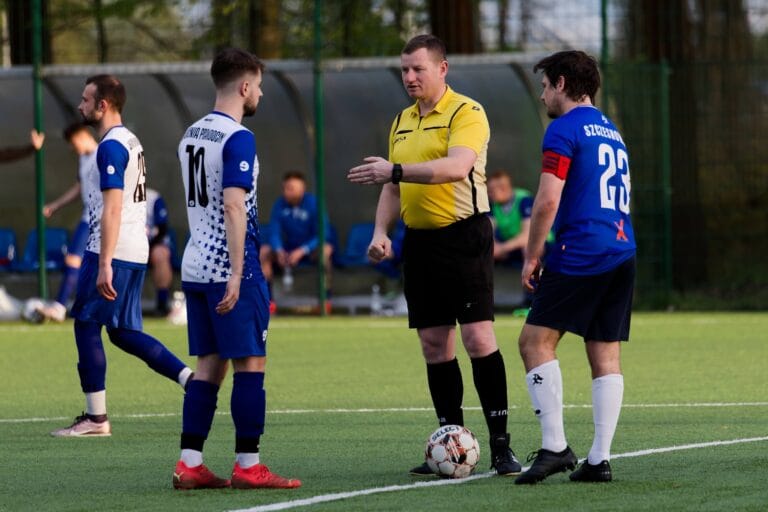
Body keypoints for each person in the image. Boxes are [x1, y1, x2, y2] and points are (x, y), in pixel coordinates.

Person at [347, 34, 522, 477]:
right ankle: (452, 443)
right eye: (404, 69)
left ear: (442, 69)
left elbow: (456, 167)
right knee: (433, 345)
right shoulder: (401, 121)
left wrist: (397, 170)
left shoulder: (468, 112)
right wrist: (381, 232)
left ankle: (502, 447)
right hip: (420, 243)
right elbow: (392, 186)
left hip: (465, 237)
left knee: (478, 339)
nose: (409, 77)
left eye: (417, 68)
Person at [172, 47, 300, 490]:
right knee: (250, 362)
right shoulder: (237, 137)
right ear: (245, 87)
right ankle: (249, 464)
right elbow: (231, 202)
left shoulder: (191, 133)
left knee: (209, 364)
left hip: (194, 264)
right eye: (259, 86)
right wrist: (237, 270)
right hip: (230, 268)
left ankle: (190, 463)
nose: (260, 94)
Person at [513, 50, 636, 485]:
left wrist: (532, 254)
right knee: (605, 351)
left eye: (546, 85)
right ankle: (599, 460)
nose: (543, 94)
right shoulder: (612, 130)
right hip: (622, 249)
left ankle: (555, 448)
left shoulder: (563, 129)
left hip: (582, 249)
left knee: (534, 342)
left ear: (562, 83)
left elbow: (548, 199)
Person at [51, 74, 192, 437]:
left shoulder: (110, 147)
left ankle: (95, 419)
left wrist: (103, 263)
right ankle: (190, 379)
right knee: (123, 332)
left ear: (103, 105)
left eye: (85, 99)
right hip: (135, 248)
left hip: (112, 249)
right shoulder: (130, 139)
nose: (80, 105)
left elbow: (112, 209)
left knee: (85, 323)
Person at [37, 123, 97, 322]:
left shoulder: (102, 154)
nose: (73, 148)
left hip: (101, 219)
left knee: (91, 263)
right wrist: (55, 205)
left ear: (82, 136)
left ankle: (65, 306)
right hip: (87, 217)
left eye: (73, 143)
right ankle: (61, 306)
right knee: (74, 260)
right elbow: (79, 188)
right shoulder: (83, 159)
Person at [260, 171, 333, 310]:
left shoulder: (314, 203)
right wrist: (278, 249)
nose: (287, 192)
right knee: (264, 251)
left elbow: (323, 233)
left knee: (326, 250)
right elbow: (273, 232)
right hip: (288, 250)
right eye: (285, 188)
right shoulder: (279, 205)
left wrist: (303, 250)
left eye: (291, 188)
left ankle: (325, 301)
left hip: (309, 251)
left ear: (302, 188)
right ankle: (268, 302)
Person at [486, 169, 533, 264]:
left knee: (529, 248)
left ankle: (531, 274)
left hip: (532, 242)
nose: (489, 194)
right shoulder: (493, 204)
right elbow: (489, 230)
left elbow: (527, 236)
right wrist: (493, 245)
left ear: (503, 188)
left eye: (491, 191)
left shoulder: (524, 200)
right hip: (510, 242)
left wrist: (502, 248)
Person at [145, 187, 174, 315]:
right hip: (127, 244)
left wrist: (148, 246)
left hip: (152, 243)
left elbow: (162, 228)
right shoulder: (116, 193)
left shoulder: (152, 197)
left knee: (160, 253)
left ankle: (162, 303)